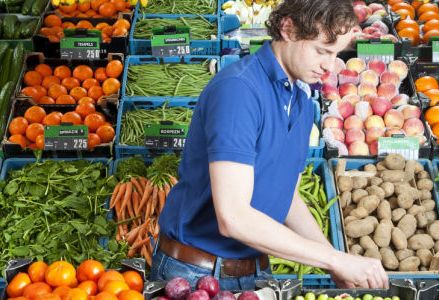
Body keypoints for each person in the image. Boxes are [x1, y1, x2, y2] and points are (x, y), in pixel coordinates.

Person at [151, 0, 389, 290]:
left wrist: (337, 259)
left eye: (336, 54)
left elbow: (285, 198)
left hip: (254, 272)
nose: (329, 66)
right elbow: (233, 218)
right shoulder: (239, 90)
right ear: (287, 28)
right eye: (321, 51)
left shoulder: (300, 101)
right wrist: (331, 260)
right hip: (196, 275)